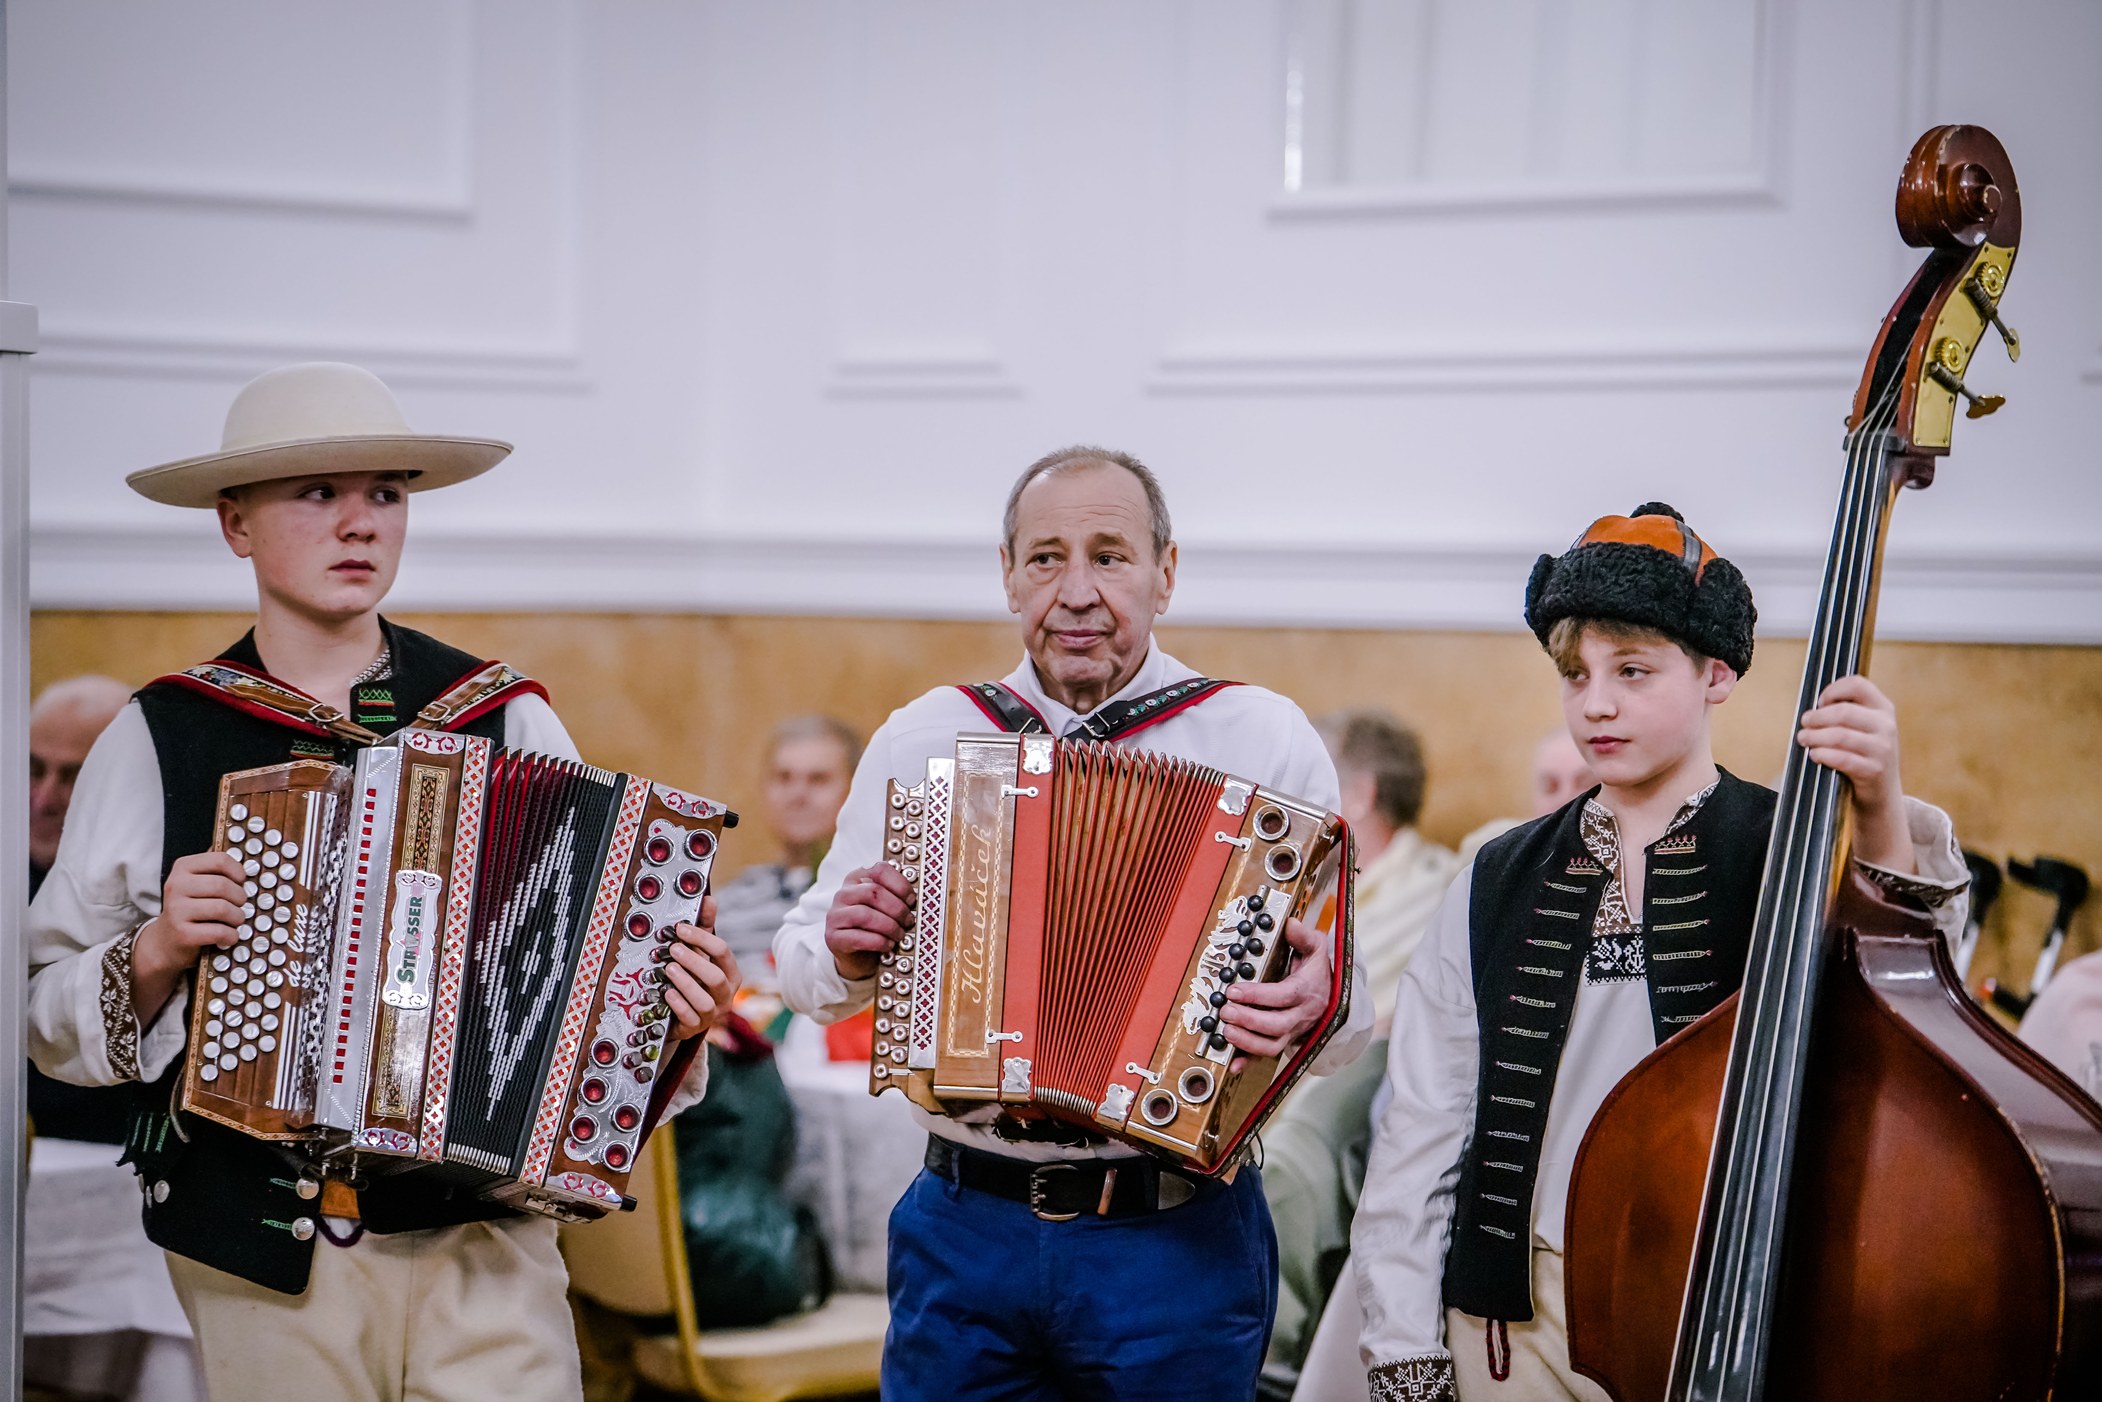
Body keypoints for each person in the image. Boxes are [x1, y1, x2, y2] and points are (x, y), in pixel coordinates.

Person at [24, 363, 741, 1402]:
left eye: (386, 494)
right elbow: (40, 1007)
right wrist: (156, 950)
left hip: (487, 1238)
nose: (360, 522)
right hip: (266, 1250)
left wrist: (668, 1015)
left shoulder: (503, 713)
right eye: (318, 492)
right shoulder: (163, 734)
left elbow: (591, 991)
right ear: (235, 523)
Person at [774, 444, 1370, 1400]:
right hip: (964, 1227)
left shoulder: (1260, 739)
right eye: (1047, 558)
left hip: (1174, 1239)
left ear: (1165, 573)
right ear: (1009, 576)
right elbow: (803, 966)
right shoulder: (925, 736)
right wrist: (844, 949)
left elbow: (1348, 1015)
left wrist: (1317, 1005)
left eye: (1111, 556)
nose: (1078, 591)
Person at [1352, 503, 1968, 1400]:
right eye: (1576, 674)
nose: (1595, 703)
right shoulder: (1496, 876)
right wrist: (1405, 1349)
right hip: (1512, 1327)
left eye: (1633, 670)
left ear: (1717, 673)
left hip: (1721, 1305)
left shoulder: (1791, 852)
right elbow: (1423, 1128)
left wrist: (1878, 806)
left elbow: (1909, 1002)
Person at [1259, 710, 1458, 1398]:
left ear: (1360, 796)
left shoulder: (1439, 884)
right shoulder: (1293, 882)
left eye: (1309, 778)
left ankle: (1270, 1369)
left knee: (1290, 1159)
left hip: (1362, 1096)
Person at [714, 715, 861, 982]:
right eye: (783, 778)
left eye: (818, 779)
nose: (797, 795)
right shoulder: (727, 904)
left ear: (855, 791)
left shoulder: (872, 898)